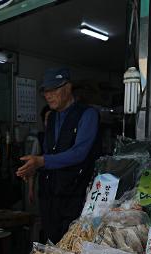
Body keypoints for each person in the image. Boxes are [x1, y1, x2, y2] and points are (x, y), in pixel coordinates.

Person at [17, 68, 101, 244]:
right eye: (46, 91)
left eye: (54, 90)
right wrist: (33, 168)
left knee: (70, 246)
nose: (48, 95)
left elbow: (79, 153)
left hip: (74, 195)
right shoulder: (52, 117)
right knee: (50, 244)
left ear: (68, 87)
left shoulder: (87, 114)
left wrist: (41, 161)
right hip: (50, 195)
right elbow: (49, 152)